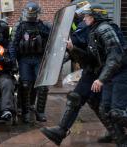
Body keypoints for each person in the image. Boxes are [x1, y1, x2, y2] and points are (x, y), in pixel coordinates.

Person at [41, 4, 127, 146]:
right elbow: (90, 57)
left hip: (110, 72)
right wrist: (72, 49)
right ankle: (116, 135)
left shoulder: (103, 28)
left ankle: (117, 135)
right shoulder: (90, 28)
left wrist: (101, 78)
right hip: (95, 69)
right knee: (95, 104)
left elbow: (114, 56)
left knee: (111, 109)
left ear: (94, 17)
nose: (84, 17)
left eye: (87, 15)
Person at [9, 1, 51, 123]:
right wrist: (13, 62)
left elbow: (52, 41)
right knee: (26, 84)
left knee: (43, 86)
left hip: (39, 58)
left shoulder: (43, 26)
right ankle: (26, 111)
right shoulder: (20, 26)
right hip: (24, 59)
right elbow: (13, 45)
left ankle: (40, 111)